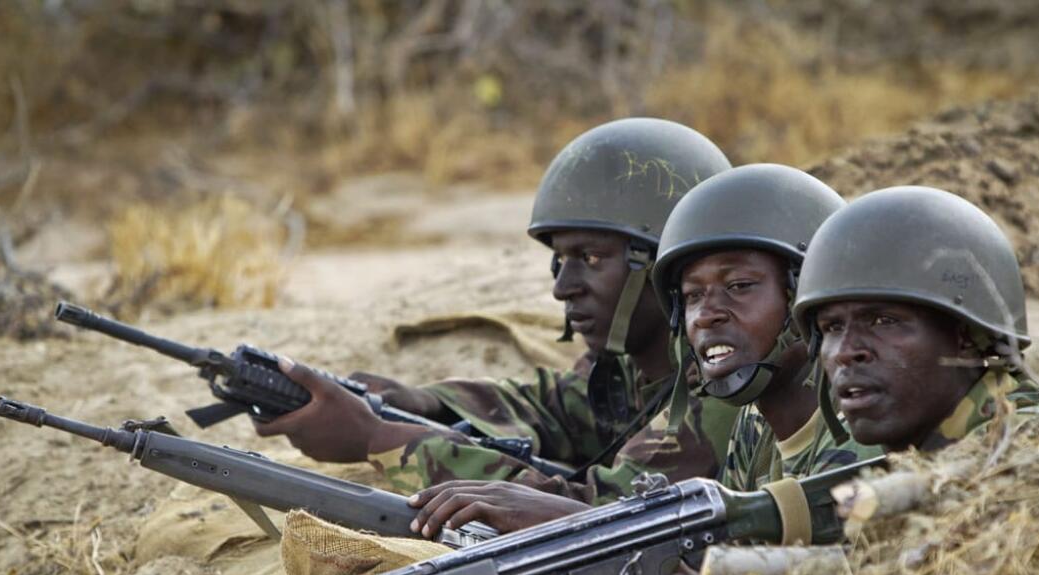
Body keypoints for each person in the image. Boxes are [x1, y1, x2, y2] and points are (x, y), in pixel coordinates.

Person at [461, 164, 880, 575]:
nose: (707, 314)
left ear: (805, 295)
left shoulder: (862, 432)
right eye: (693, 296)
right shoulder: (754, 425)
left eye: (740, 286)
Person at [256, 119, 737, 521]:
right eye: (559, 261)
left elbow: (600, 518)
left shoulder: (723, 382)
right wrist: (423, 406)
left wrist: (377, 440)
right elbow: (555, 410)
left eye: (589, 258)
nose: (562, 287)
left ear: (666, 267)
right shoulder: (640, 365)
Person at [791, 185, 1039, 453]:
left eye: (883, 321)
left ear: (967, 336)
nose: (844, 353)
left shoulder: (1027, 456)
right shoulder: (925, 453)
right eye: (832, 327)